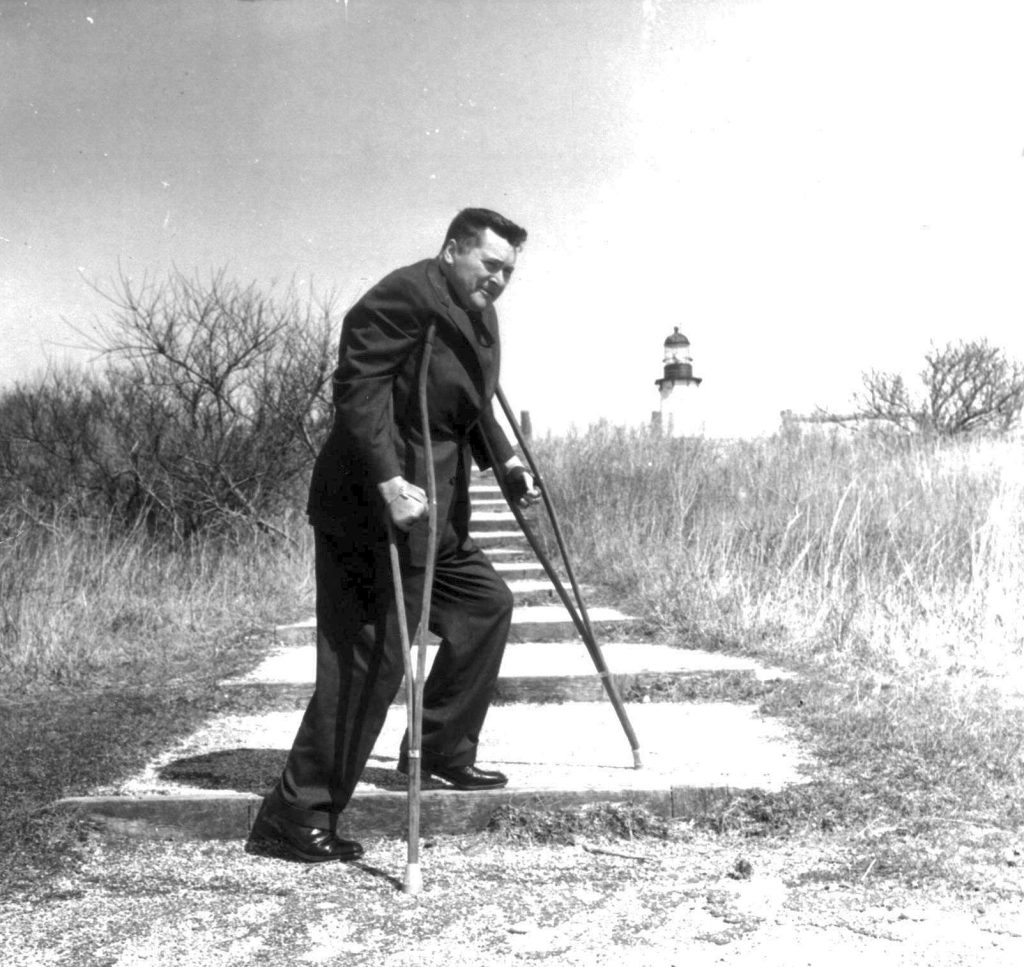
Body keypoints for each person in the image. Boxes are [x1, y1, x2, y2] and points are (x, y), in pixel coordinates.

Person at [247, 208, 540, 863]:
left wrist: (508, 462)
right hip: (374, 506)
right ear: (452, 249)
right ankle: (295, 812)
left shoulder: (478, 312)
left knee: (483, 605)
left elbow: (471, 401)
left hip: (435, 506)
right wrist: (385, 480)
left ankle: (439, 746)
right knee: (371, 658)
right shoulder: (405, 295)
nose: (498, 279)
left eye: (508, 271)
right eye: (489, 264)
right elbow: (358, 389)